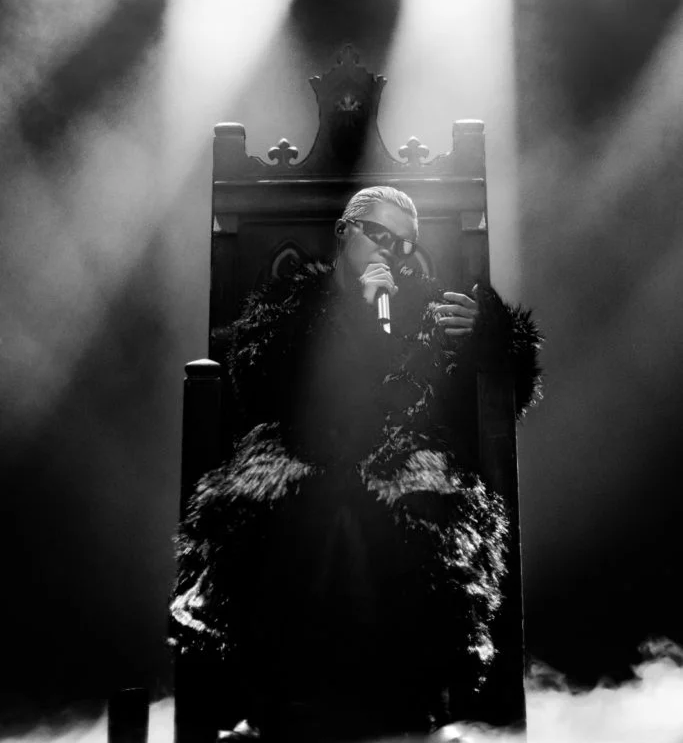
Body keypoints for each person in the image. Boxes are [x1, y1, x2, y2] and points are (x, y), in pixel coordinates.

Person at [171, 187, 541, 741]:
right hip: (304, 447)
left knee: (411, 512)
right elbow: (264, 386)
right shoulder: (291, 307)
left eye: (404, 244)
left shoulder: (428, 311)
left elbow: (499, 397)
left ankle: (407, 704)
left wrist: (493, 338)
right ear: (345, 232)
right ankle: (280, 704)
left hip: (400, 451)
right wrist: (357, 317)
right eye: (380, 235)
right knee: (286, 508)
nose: (391, 251)